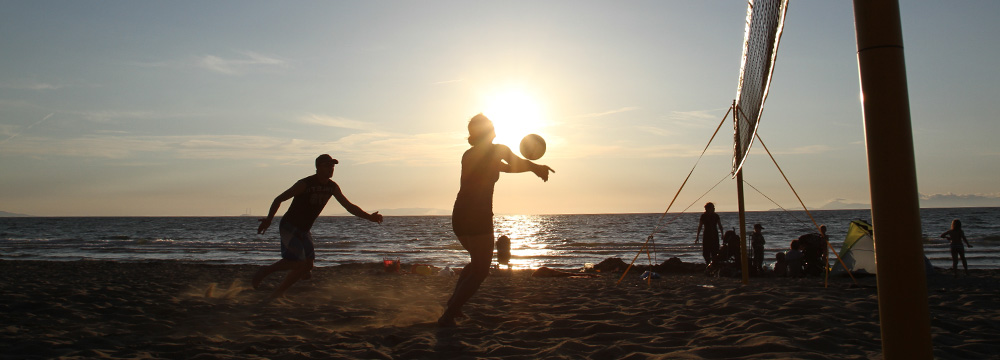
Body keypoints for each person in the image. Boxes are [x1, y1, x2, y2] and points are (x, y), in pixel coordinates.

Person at [438, 114, 554, 327]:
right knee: (481, 270)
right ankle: (449, 314)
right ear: (488, 131)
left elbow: (508, 167)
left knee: (475, 264)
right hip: (477, 215)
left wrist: (534, 169)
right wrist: (536, 168)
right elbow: (515, 162)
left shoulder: (469, 155)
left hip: (460, 216)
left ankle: (453, 305)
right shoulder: (498, 150)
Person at [253, 154, 384, 299]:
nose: (331, 169)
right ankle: (265, 271)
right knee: (298, 263)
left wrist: (369, 217)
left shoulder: (332, 187)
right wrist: (269, 220)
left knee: (308, 265)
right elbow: (279, 199)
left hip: (304, 229)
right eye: (327, 166)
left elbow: (349, 206)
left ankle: (279, 292)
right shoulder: (305, 184)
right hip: (289, 226)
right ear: (318, 167)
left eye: (332, 166)